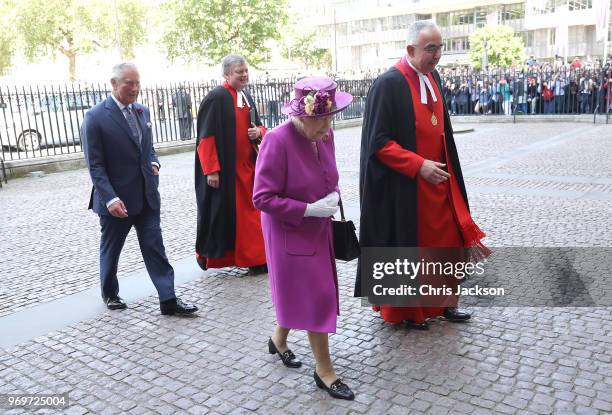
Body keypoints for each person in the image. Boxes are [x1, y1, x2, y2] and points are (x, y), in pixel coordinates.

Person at [354, 21, 490, 329]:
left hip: (439, 183)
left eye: (440, 48)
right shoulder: (388, 83)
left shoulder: (434, 76)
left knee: (444, 243)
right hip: (405, 186)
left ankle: (444, 304)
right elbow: (377, 142)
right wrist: (418, 165)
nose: (437, 55)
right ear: (410, 49)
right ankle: (407, 312)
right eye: (431, 49)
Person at [253, 76, 355, 400]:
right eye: (321, 120)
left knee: (303, 293)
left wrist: (333, 196)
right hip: (289, 231)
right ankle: (324, 371)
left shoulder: (325, 134)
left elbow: (330, 174)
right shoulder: (277, 141)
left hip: (318, 226)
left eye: (330, 119)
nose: (327, 128)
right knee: (317, 295)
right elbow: (261, 197)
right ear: (302, 116)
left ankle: (278, 339)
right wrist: (308, 209)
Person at [82, 63, 198, 316]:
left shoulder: (142, 111)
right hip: (116, 202)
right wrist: (110, 198)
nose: (135, 88)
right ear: (114, 83)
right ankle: (110, 292)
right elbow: (95, 165)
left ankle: (168, 299)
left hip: (146, 195)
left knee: (155, 247)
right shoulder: (95, 116)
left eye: (137, 83)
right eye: (129, 83)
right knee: (112, 250)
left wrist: (154, 161)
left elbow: (148, 149)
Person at [194, 55, 267, 275]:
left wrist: (258, 132)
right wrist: (211, 170)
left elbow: (261, 127)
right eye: (239, 71)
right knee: (224, 217)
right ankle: (209, 256)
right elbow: (206, 138)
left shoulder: (246, 96)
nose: (244, 75)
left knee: (251, 216)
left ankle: (256, 257)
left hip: (247, 169)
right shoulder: (216, 97)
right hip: (226, 172)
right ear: (227, 74)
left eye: (245, 71)